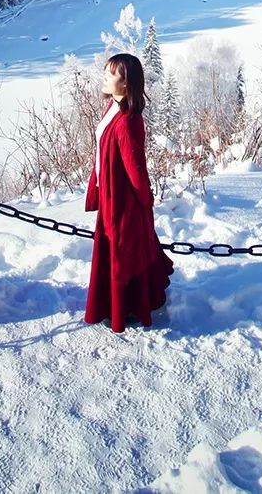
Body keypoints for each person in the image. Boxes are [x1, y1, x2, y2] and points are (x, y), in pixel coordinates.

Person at [84, 51, 173, 332]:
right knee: (119, 251)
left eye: (111, 74)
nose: (105, 76)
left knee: (124, 254)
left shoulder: (128, 121)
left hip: (123, 201)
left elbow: (136, 167)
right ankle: (119, 304)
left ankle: (127, 308)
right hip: (112, 195)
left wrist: (145, 200)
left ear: (126, 83)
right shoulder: (112, 108)